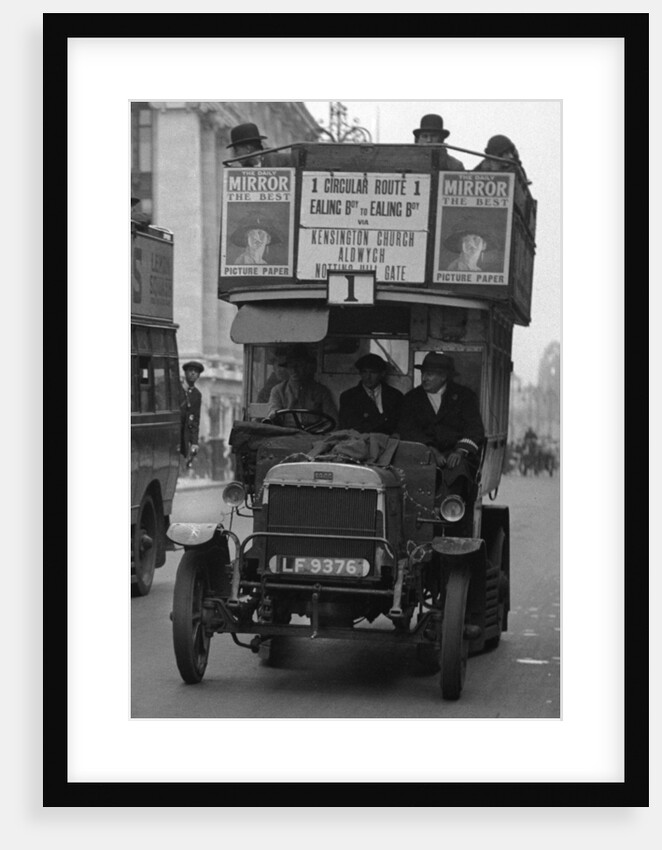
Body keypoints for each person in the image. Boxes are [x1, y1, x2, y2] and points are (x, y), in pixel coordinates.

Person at [398, 351, 485, 505]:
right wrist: (430, 449)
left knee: (458, 473)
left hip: (455, 456)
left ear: (444, 376)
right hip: (421, 455)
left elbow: (475, 428)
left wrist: (460, 451)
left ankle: (452, 511)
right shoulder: (411, 399)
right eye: (423, 373)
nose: (424, 378)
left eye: (430, 374)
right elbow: (407, 429)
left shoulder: (465, 397)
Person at [267, 344, 338, 424]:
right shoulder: (278, 391)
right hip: (286, 434)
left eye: (299, 365)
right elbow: (273, 415)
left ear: (306, 366)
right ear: (287, 368)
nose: (294, 370)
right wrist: (274, 416)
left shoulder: (321, 392)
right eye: (291, 366)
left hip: (314, 435)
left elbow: (332, 420)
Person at [338, 353, 403, 435]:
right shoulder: (348, 397)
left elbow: (401, 425)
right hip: (360, 443)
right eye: (364, 372)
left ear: (382, 374)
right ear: (360, 373)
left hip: (390, 442)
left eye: (373, 372)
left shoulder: (395, 396)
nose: (368, 377)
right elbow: (347, 427)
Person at [180, 360, 204, 466]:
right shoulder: (178, 389)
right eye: (190, 370)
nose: (193, 373)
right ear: (185, 373)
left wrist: (194, 442)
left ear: (198, 376)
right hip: (174, 432)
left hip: (184, 436)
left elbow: (195, 420)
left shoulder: (197, 395)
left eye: (196, 372)